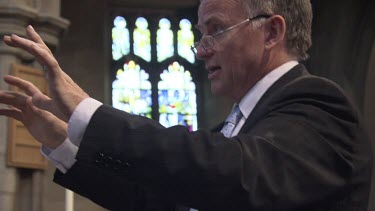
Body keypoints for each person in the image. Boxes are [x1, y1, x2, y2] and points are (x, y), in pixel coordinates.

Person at [0, 0, 372, 210]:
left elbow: (232, 173)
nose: (201, 49)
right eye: (199, 34)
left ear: (272, 32)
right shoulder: (241, 124)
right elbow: (157, 198)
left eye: (215, 30)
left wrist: (87, 109)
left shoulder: (319, 105)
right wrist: (64, 140)